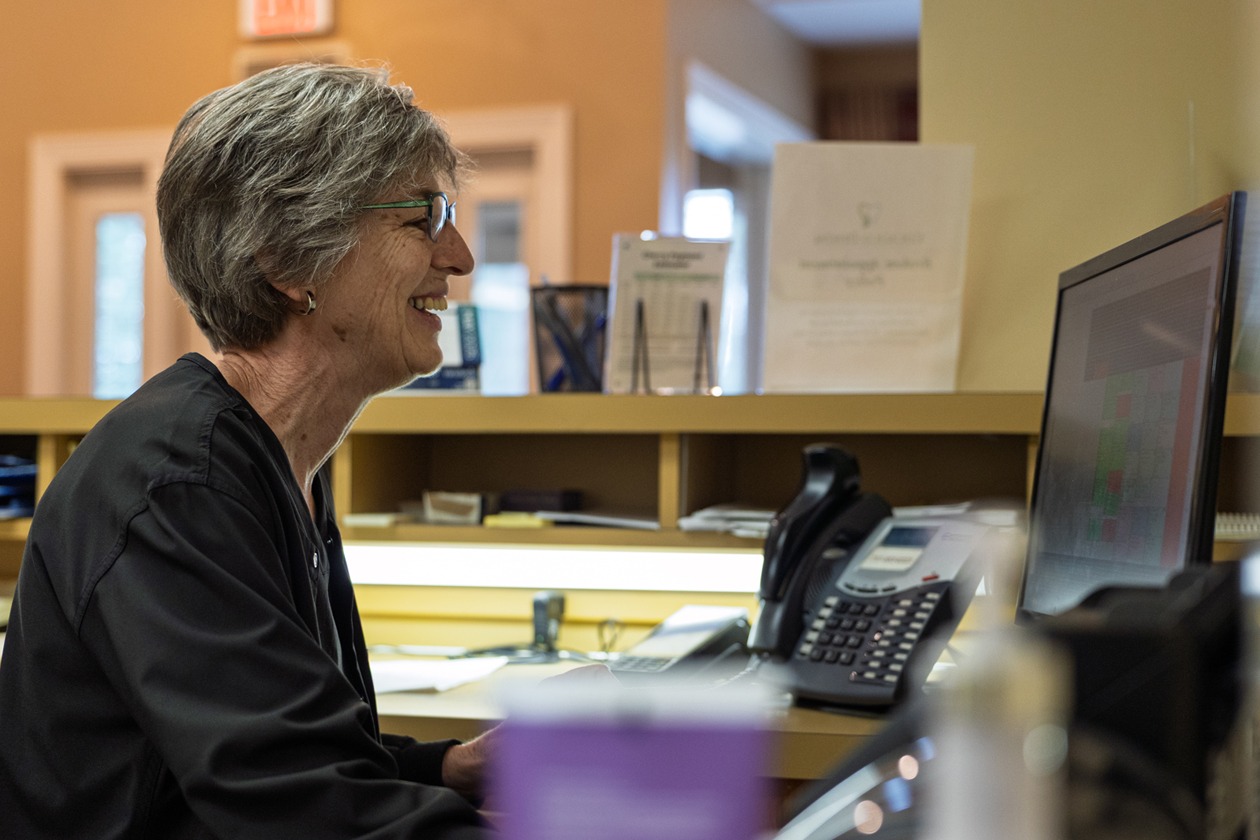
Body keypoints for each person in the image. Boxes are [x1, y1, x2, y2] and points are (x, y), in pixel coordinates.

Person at [0, 62, 508, 839]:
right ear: (288, 259)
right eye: (423, 218)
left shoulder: (277, 459)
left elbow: (291, 753)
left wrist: (445, 768)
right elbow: (304, 811)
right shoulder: (180, 479)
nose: (460, 256)